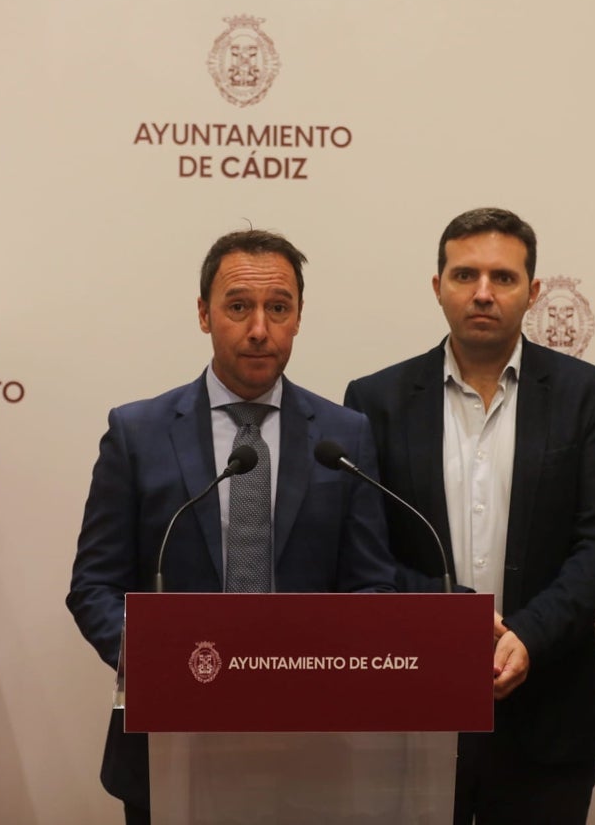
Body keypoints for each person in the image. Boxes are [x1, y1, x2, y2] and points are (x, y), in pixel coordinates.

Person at [67, 228, 397, 825]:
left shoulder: (343, 436)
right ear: (203, 314)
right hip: (172, 738)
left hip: (310, 746)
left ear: (298, 317)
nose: (259, 330)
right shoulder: (138, 433)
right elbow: (94, 585)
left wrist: (326, 668)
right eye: (238, 306)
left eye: (278, 308)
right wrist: (156, 662)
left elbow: (372, 584)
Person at [344, 207, 595, 825]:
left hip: (550, 711)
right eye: (464, 275)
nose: (482, 292)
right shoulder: (375, 402)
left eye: (502, 278)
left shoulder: (590, 396)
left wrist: (526, 635)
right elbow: (363, 554)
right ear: (437, 287)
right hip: (415, 709)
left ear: (532, 292)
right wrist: (453, 623)